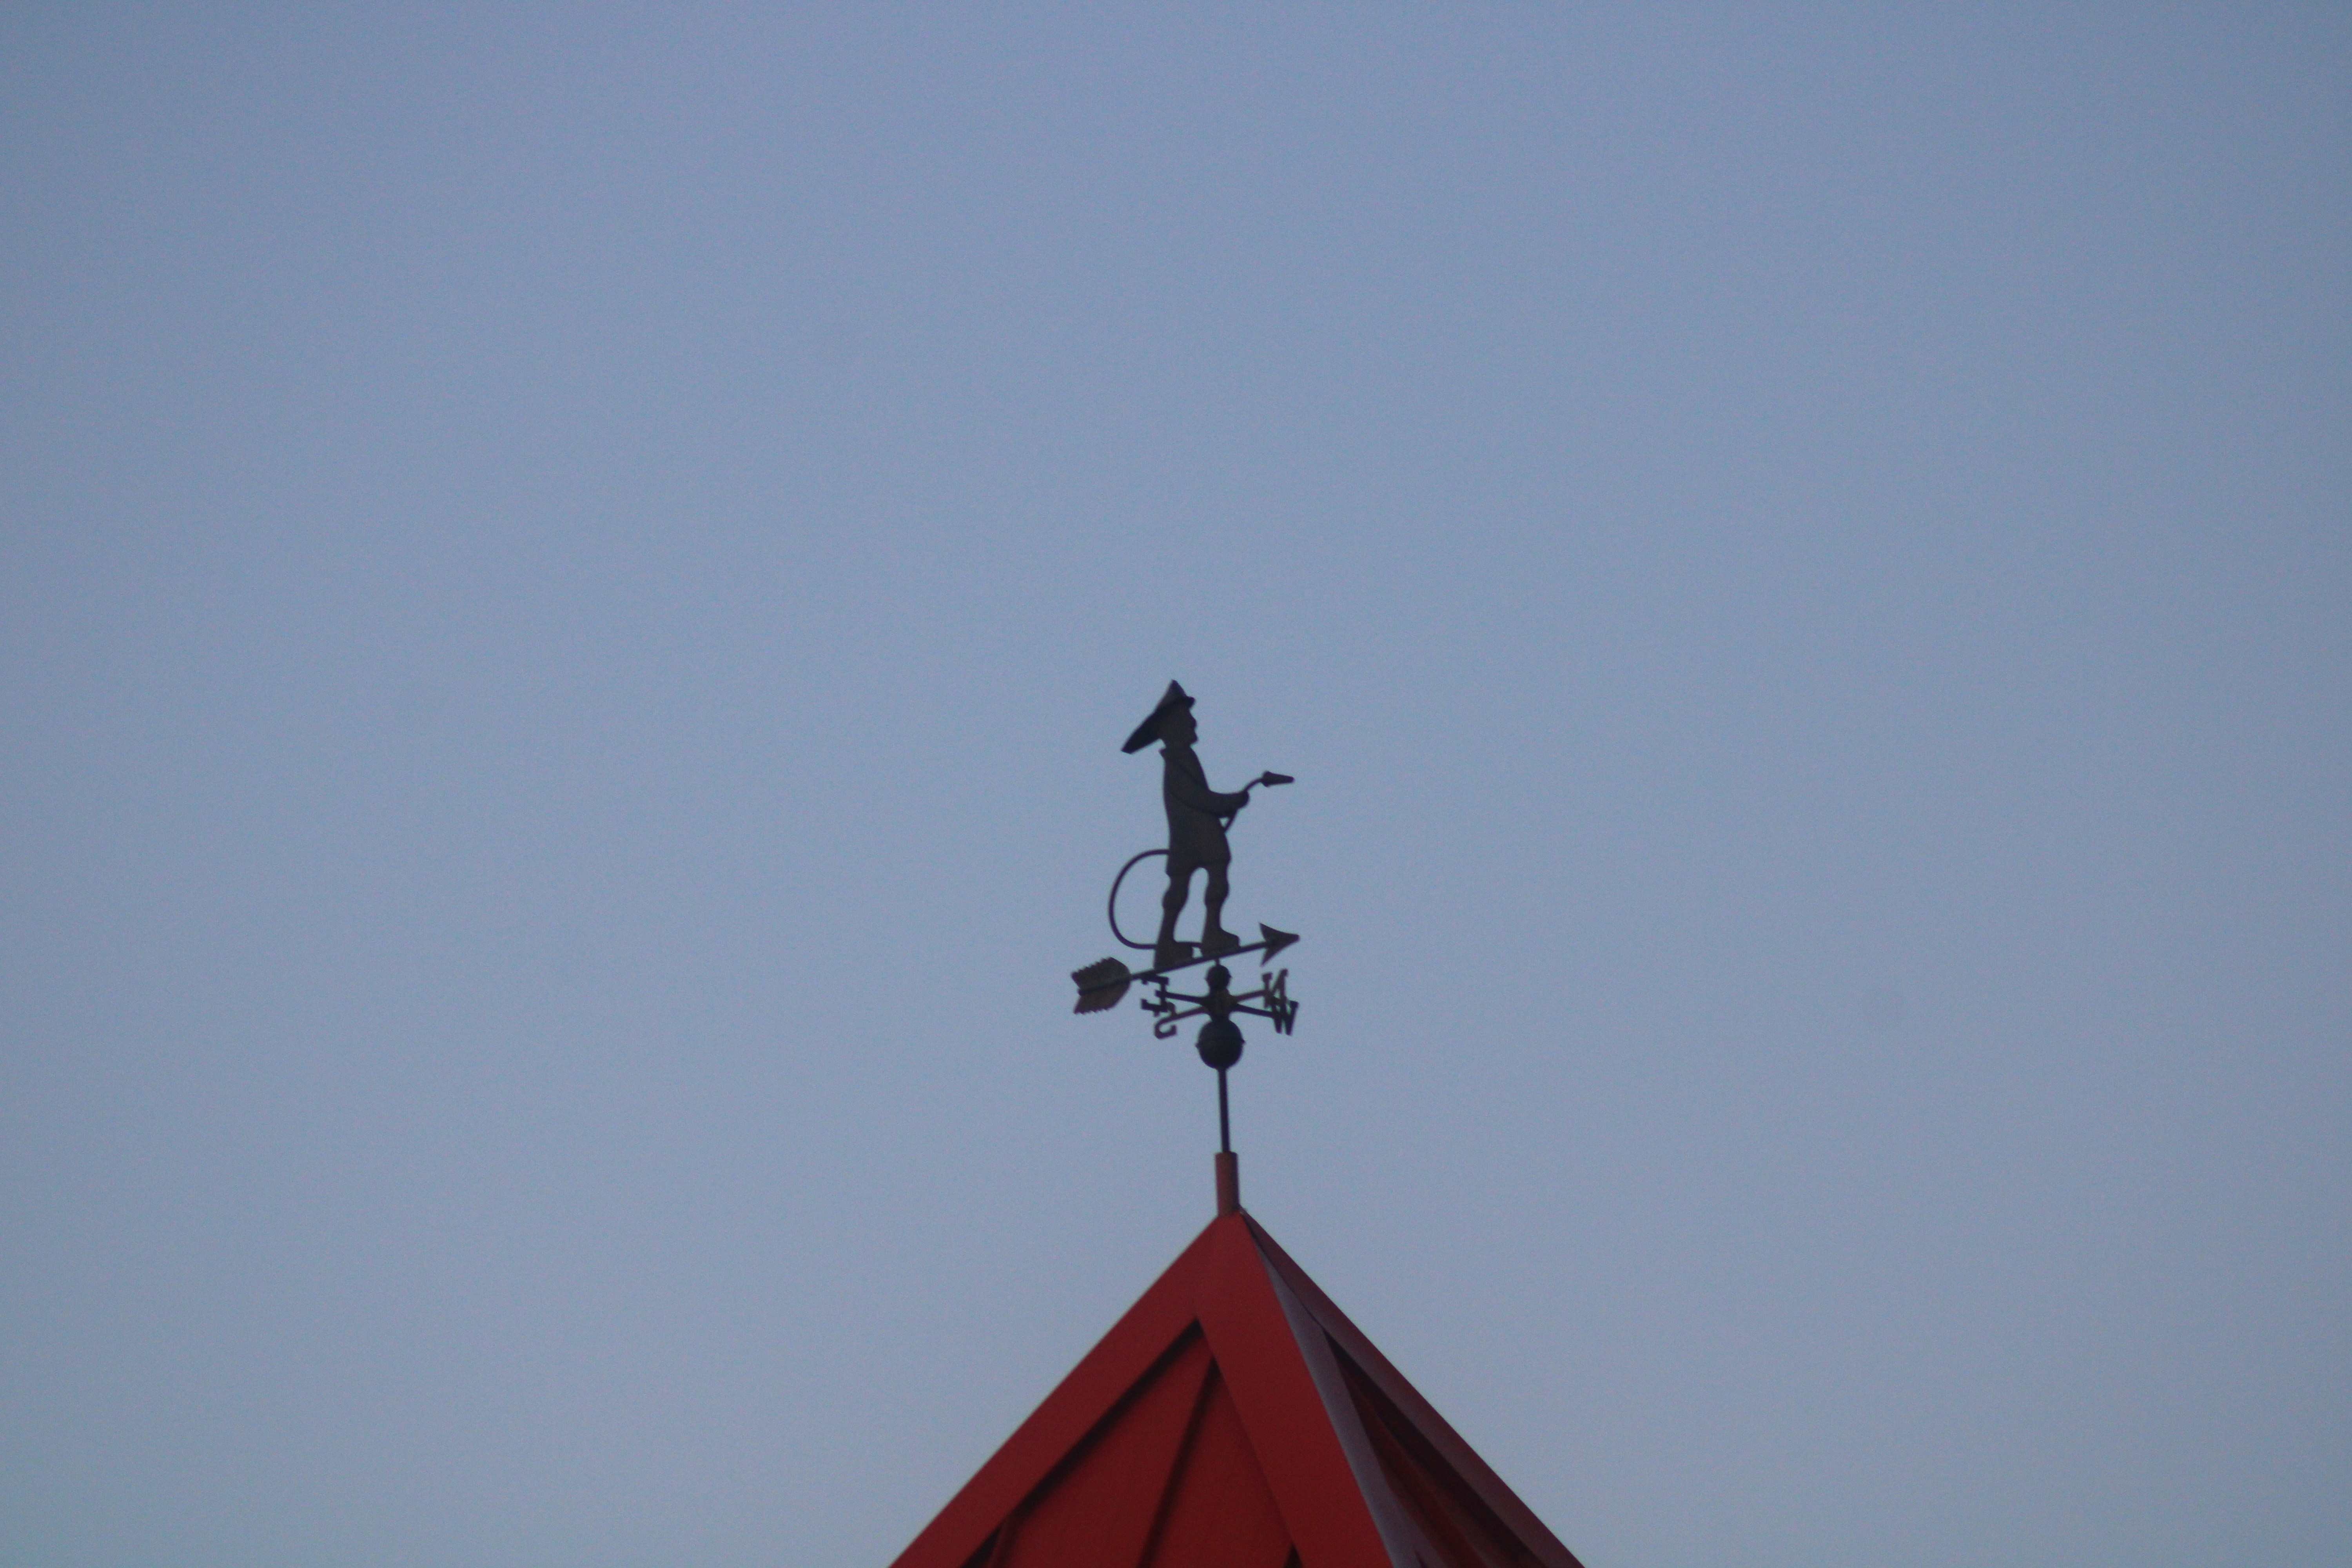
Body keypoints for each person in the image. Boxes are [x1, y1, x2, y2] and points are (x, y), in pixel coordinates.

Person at [1122, 682, 1252, 969]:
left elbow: (1195, 795)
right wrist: (1226, 802)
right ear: (1173, 727)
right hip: (1199, 833)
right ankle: (1201, 935)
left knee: (1181, 885)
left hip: (1188, 835)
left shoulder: (1183, 757)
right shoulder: (1177, 760)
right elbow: (1192, 794)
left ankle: (1177, 940)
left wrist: (1226, 803)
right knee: (1211, 873)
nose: (1193, 723)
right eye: (1186, 718)